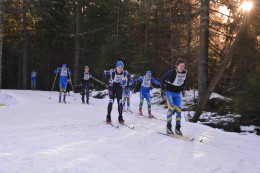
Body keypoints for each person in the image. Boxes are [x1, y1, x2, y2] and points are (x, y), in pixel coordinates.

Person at [161, 58, 187, 135]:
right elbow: (163, 79)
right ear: (177, 66)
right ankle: (168, 127)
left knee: (179, 110)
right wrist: (162, 90)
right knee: (171, 108)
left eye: (183, 66)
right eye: (181, 66)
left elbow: (184, 81)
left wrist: (183, 89)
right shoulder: (172, 72)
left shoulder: (185, 73)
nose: (182, 68)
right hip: (169, 92)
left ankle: (177, 128)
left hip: (177, 93)